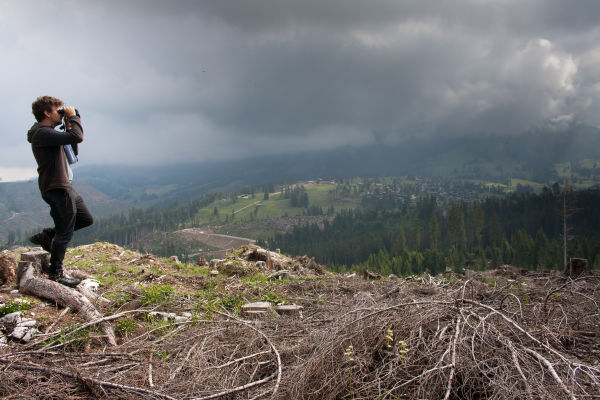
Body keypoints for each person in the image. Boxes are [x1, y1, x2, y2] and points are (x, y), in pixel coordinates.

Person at [27, 96, 93, 287]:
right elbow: (78, 136)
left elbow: (73, 147)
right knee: (64, 231)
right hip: (56, 187)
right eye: (58, 110)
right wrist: (73, 118)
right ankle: (56, 273)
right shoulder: (41, 133)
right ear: (47, 113)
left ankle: (48, 236)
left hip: (64, 185)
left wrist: (68, 123)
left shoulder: (49, 133)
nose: (62, 112)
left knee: (84, 219)